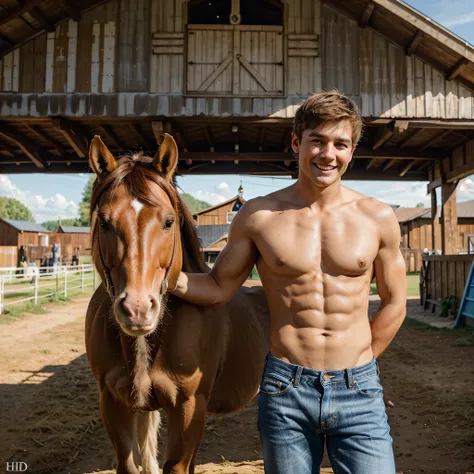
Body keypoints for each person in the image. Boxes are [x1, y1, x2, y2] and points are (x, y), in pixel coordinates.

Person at [171, 91, 407, 474]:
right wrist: (165, 279)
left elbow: (395, 301)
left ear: (351, 150)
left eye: (340, 144)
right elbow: (217, 288)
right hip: (286, 388)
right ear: (297, 142)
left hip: (358, 390)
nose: (328, 154)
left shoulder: (377, 217)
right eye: (317, 140)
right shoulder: (259, 216)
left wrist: (361, 365)